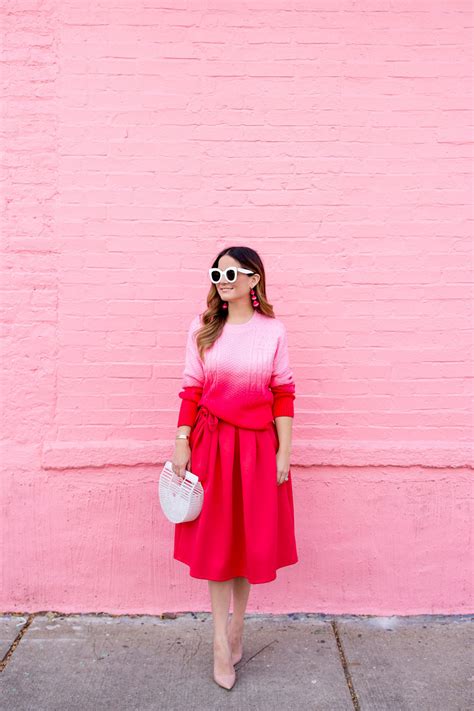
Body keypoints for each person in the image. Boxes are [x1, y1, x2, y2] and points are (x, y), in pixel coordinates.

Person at [171, 245, 298, 690]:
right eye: (216, 273)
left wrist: (284, 452)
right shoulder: (204, 328)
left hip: (259, 449)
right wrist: (181, 440)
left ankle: (238, 626)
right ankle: (219, 644)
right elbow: (191, 388)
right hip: (212, 445)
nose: (222, 280)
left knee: (246, 544)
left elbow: (283, 392)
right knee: (217, 548)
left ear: (253, 280)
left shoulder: (273, 331)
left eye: (231, 273)